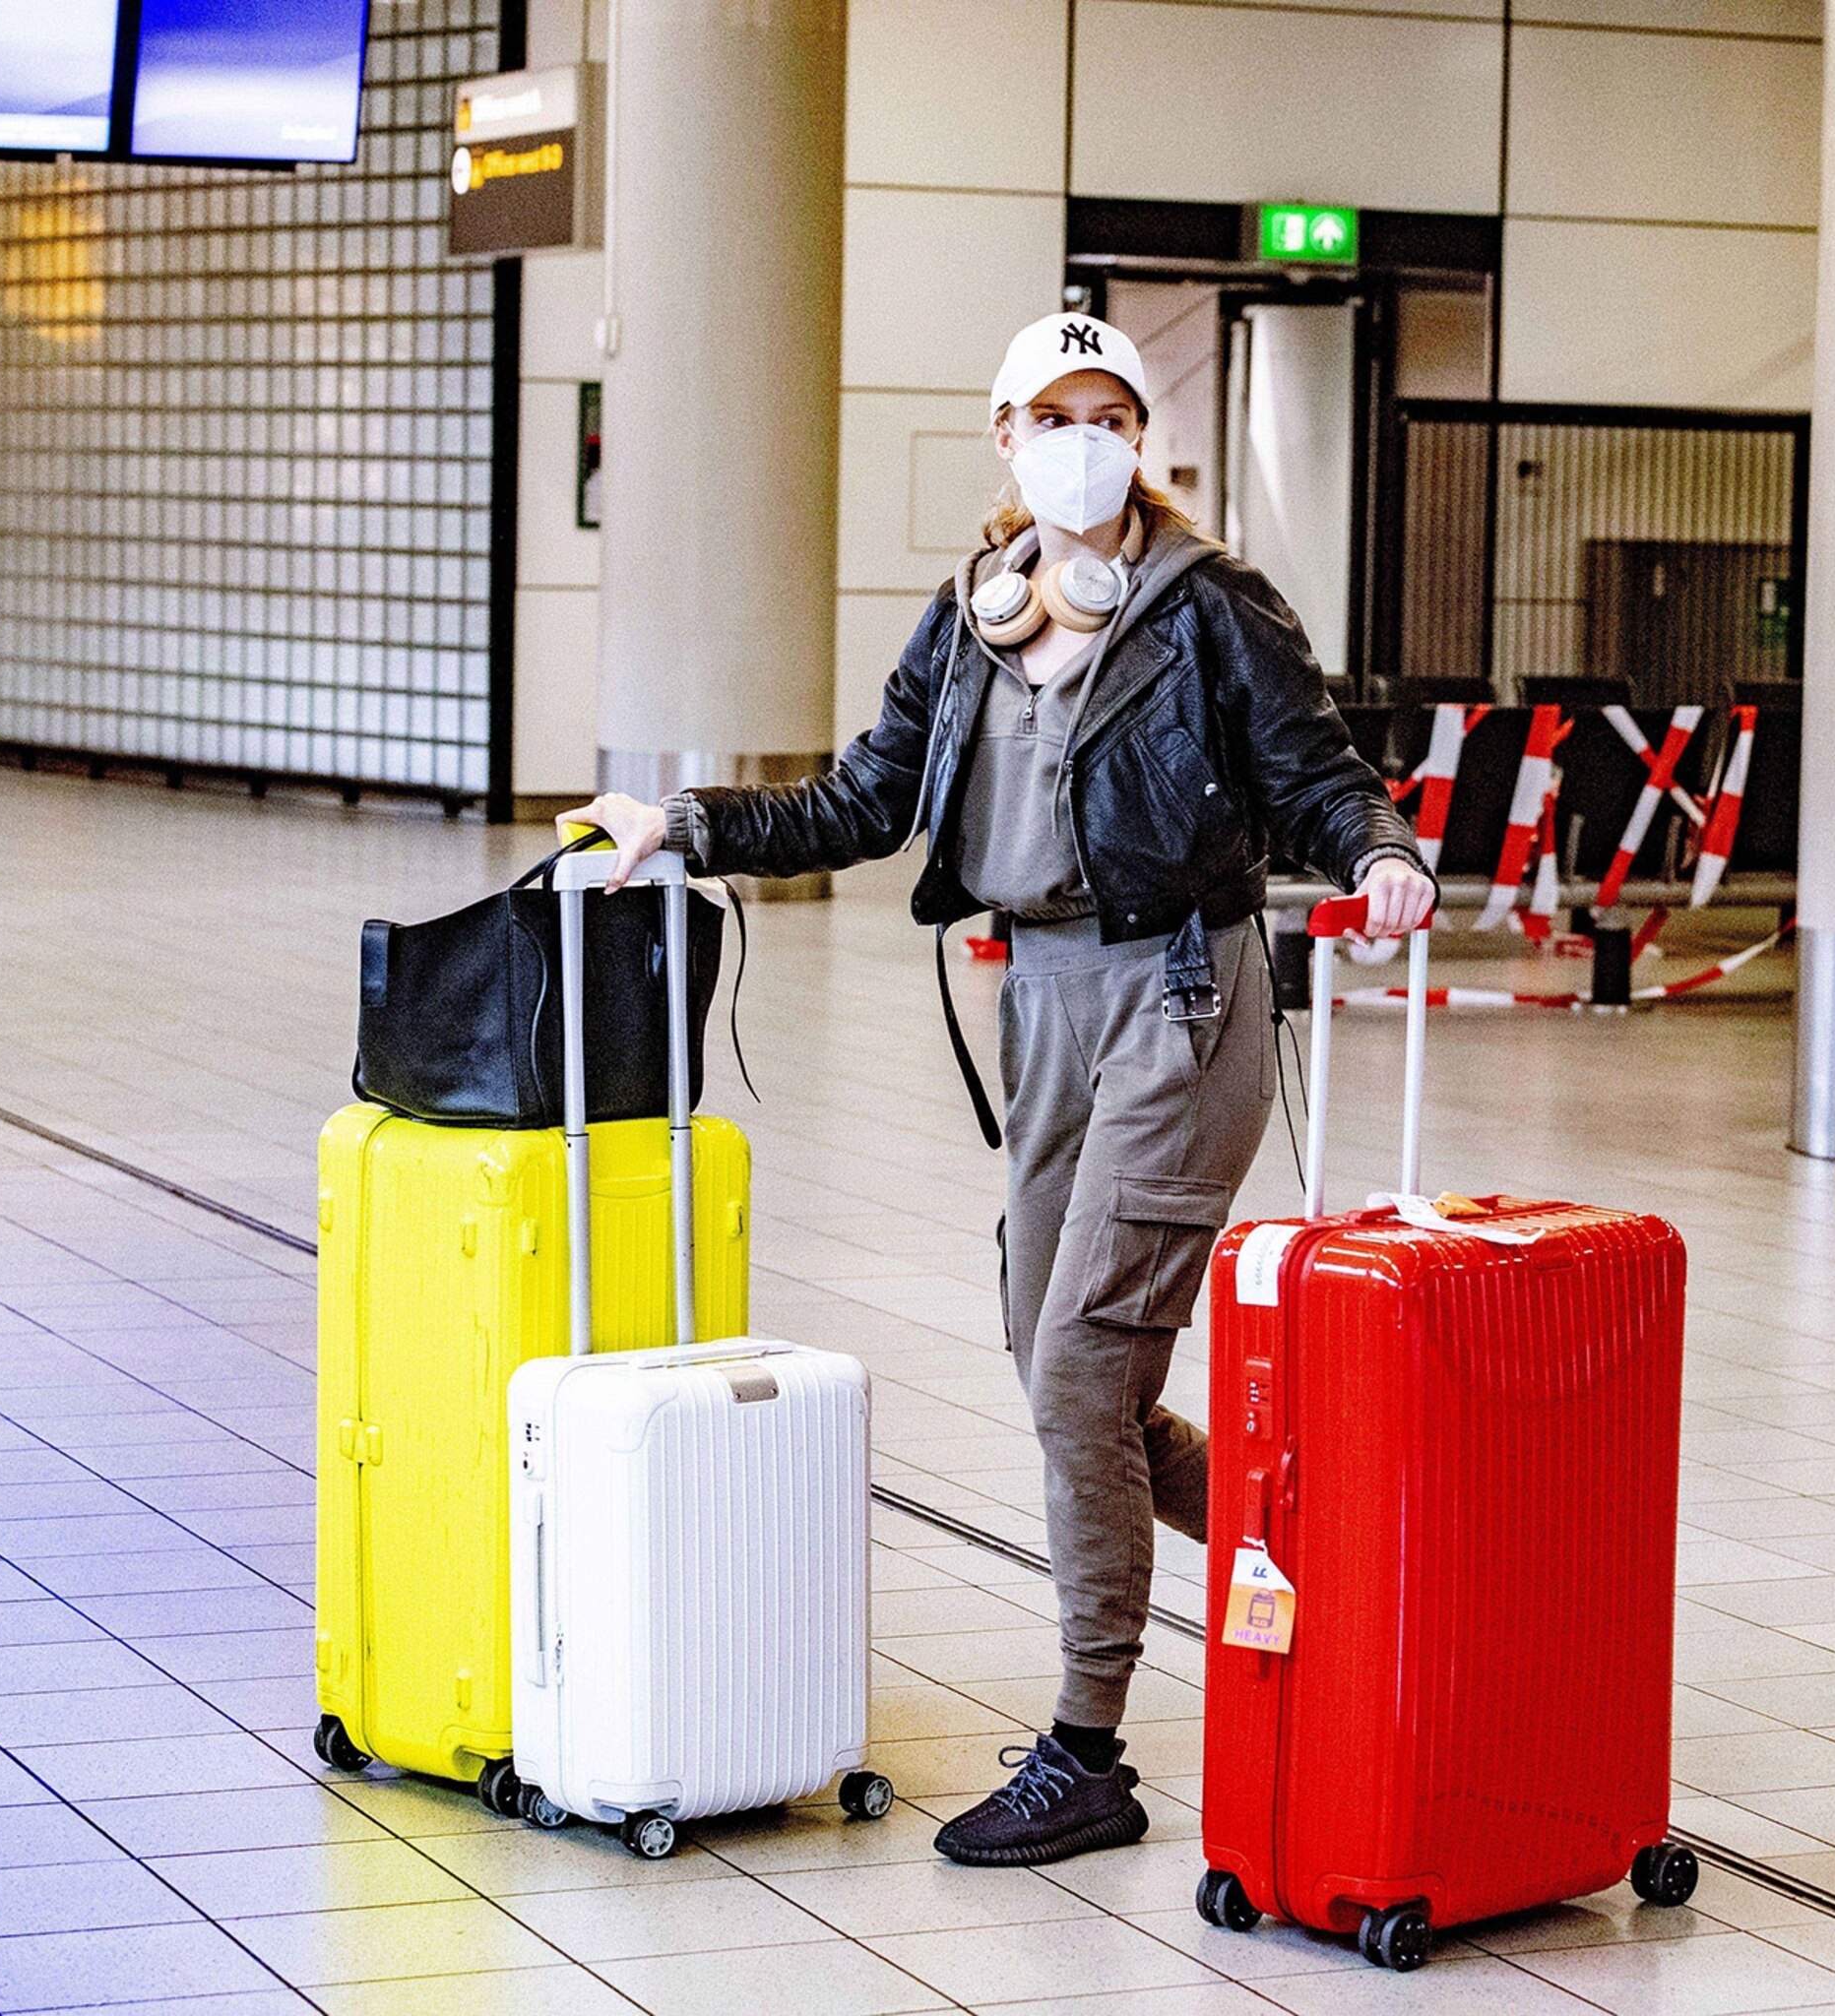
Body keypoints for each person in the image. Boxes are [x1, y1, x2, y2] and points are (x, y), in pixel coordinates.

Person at [560, 311, 1436, 1867]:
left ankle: (1089, 1745)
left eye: (1112, 412)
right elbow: (863, 799)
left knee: (1084, 1366)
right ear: (1006, 434)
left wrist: (1377, 852)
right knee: (1052, 1357)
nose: (1085, 438)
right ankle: (1338, 1560)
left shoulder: (1209, 604)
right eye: (1056, 412)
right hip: (1041, 1006)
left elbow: (1315, 770)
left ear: (1147, 438)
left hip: (1181, 990)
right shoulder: (974, 616)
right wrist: (680, 827)